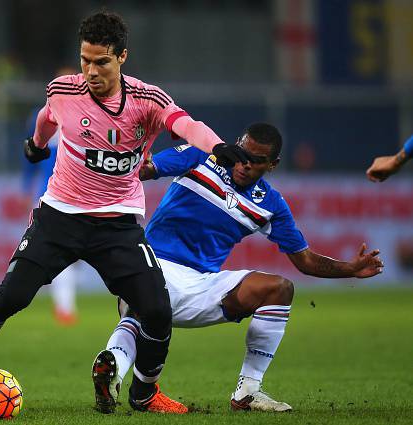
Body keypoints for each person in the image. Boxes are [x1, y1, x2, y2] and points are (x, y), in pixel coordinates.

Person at [0, 11, 250, 414]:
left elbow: (186, 125)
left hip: (117, 225)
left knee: (155, 308)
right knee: (9, 298)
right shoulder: (64, 90)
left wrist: (217, 146)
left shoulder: (147, 101)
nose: (91, 70)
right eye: (85, 60)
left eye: (101, 61)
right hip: (59, 218)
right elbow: (47, 118)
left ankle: (144, 395)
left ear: (122, 57)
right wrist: (35, 144)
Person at [92, 123, 384, 413]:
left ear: (272, 164)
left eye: (256, 161)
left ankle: (247, 392)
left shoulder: (270, 203)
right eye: (242, 154)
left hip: (202, 284)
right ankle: (112, 374)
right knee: (139, 311)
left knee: (279, 289)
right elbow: (145, 170)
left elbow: (305, 261)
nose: (244, 164)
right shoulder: (201, 156)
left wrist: (350, 268)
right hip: (151, 266)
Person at [22, 65, 80, 326]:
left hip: (83, 195)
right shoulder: (44, 116)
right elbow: (31, 154)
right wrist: (26, 187)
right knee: (59, 252)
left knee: (65, 254)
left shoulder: (86, 116)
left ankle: (60, 301)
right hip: (51, 195)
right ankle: (64, 307)